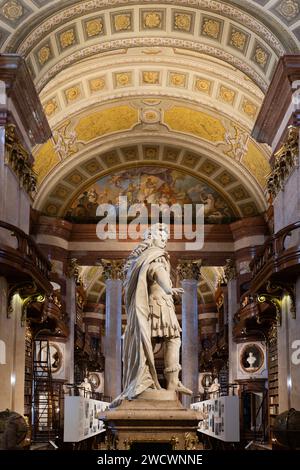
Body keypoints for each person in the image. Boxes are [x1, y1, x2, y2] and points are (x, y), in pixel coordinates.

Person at [111, 223, 192, 407]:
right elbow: (157, 272)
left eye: (166, 237)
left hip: (159, 305)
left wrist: (169, 291)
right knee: (170, 339)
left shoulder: (143, 259)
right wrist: (169, 288)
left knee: (153, 343)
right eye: (161, 236)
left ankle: (156, 381)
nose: (164, 240)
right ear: (152, 237)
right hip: (157, 306)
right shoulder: (153, 257)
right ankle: (169, 382)